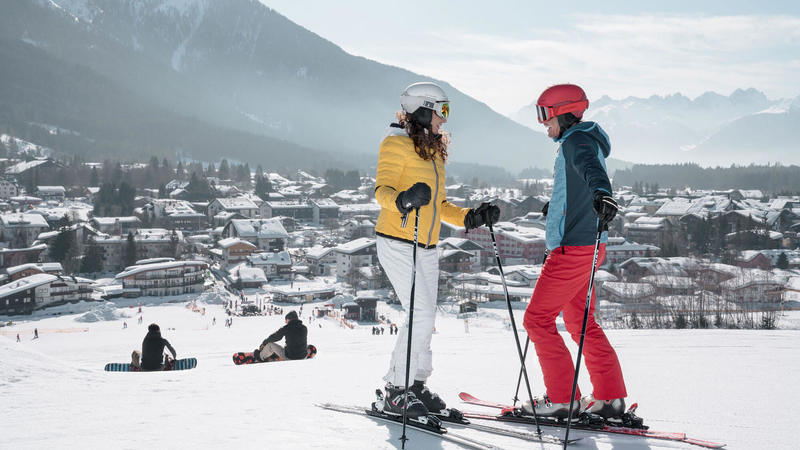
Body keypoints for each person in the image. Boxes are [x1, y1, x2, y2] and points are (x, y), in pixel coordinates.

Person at [374, 82, 500, 418]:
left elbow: (438, 205)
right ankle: (396, 391)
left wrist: (470, 217)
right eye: (442, 111)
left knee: (425, 319)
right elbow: (381, 191)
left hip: (427, 246)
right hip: (398, 242)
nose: (445, 120)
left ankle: (414, 384)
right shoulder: (395, 143)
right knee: (421, 314)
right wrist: (402, 200)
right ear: (423, 109)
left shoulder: (431, 150)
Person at [521, 84, 625, 420]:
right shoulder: (583, 139)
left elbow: (591, 174)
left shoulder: (576, 141)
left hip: (572, 250)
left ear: (562, 112)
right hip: (590, 245)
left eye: (544, 114)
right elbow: (579, 181)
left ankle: (563, 399)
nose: (542, 124)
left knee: (536, 320)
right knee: (581, 322)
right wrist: (558, 208)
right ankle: (609, 398)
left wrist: (602, 194)